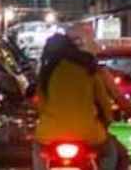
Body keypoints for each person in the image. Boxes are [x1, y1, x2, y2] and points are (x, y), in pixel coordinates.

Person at [33, 34, 125, 170]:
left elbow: (40, 106)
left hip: (49, 134)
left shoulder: (46, 72)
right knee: (113, 152)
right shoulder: (88, 68)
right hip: (89, 132)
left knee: (38, 151)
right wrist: (108, 120)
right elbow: (103, 101)